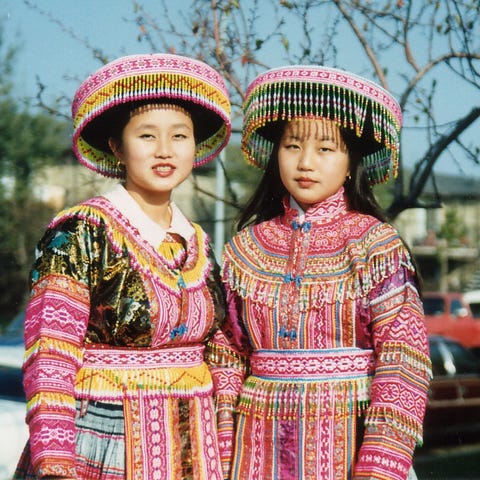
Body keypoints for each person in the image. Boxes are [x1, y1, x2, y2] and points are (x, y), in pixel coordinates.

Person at [14, 53, 237, 480]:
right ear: (116, 146)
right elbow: (50, 354)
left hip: (195, 449)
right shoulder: (81, 232)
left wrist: (226, 446)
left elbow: (222, 350)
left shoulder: (200, 244)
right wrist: (56, 461)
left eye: (180, 136)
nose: (165, 151)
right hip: (101, 442)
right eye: (147, 136)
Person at [220, 65, 432, 480]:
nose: (305, 162)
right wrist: (223, 447)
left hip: (349, 447)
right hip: (255, 451)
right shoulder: (244, 249)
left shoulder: (375, 246)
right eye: (292, 145)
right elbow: (227, 354)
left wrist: (379, 466)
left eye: (326, 150)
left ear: (351, 162)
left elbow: (403, 361)